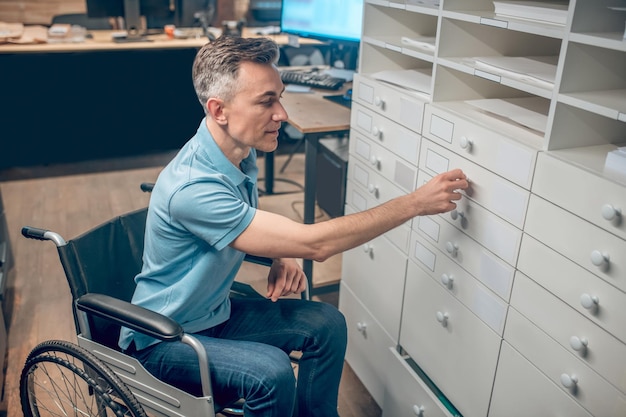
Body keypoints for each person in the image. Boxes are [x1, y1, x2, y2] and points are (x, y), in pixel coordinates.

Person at [119, 35, 468, 417]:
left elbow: (245, 227)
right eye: (266, 101)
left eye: (279, 97)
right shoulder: (193, 187)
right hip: (165, 339)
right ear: (219, 110)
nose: (282, 113)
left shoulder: (237, 152)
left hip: (213, 314)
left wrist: (279, 250)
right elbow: (315, 244)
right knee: (271, 373)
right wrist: (413, 203)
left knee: (327, 323)